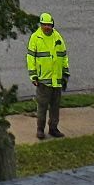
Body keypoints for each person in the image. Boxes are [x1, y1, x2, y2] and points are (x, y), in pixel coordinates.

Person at [26, 11, 69, 139]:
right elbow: (30, 58)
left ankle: (53, 128)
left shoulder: (57, 37)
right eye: (44, 25)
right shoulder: (35, 37)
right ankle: (40, 129)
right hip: (42, 80)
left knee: (55, 107)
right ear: (40, 25)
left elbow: (63, 55)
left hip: (56, 80)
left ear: (52, 25)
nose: (46, 27)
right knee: (42, 107)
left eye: (49, 25)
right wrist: (33, 76)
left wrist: (65, 73)